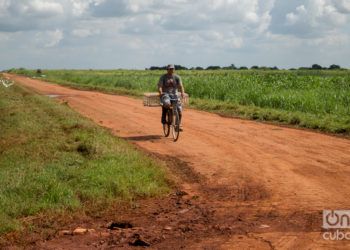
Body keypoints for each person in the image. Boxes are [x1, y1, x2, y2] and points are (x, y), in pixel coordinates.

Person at [157, 64, 185, 128]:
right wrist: (160, 92)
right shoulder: (163, 77)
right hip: (166, 94)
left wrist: (182, 92)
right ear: (167, 70)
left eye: (172, 69)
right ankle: (165, 116)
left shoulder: (177, 77)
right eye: (170, 69)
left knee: (180, 111)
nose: (171, 70)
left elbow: (181, 86)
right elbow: (160, 86)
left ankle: (178, 125)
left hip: (175, 94)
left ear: (174, 69)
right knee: (167, 104)